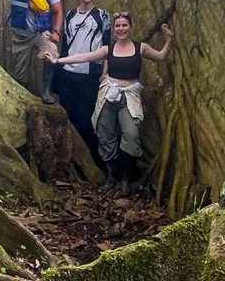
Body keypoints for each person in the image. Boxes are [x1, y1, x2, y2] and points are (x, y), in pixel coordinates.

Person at [44, 13, 174, 193]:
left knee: (131, 134)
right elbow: (84, 56)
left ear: (130, 27)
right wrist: (57, 60)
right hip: (108, 94)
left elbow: (160, 56)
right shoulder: (108, 49)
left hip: (129, 96)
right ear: (113, 29)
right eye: (118, 26)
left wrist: (169, 40)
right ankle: (113, 177)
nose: (121, 29)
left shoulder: (140, 47)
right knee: (104, 134)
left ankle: (127, 177)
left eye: (124, 25)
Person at [58, 0, 111, 163]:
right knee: (68, 117)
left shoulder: (103, 16)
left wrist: (105, 73)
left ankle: (96, 162)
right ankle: (71, 161)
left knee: (86, 121)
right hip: (68, 74)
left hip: (89, 76)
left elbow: (107, 47)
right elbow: (65, 46)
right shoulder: (70, 15)